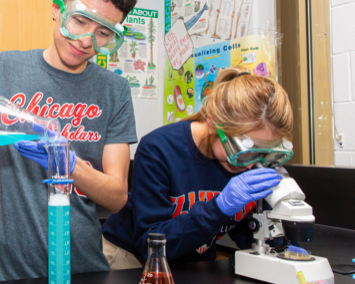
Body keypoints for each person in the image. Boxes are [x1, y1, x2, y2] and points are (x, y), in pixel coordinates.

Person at [0, 0, 140, 282]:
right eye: (79, 21)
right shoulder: (7, 68)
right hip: (6, 275)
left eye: (103, 33)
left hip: (81, 273)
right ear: (57, 9)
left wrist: (67, 164)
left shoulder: (114, 90)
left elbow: (117, 197)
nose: (86, 41)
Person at [102, 68, 292, 267]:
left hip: (192, 258)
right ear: (212, 124)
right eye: (244, 150)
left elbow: (244, 228)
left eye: (263, 152)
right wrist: (218, 209)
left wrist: (283, 248)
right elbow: (151, 243)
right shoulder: (159, 149)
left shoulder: (250, 163)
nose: (251, 164)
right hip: (131, 257)